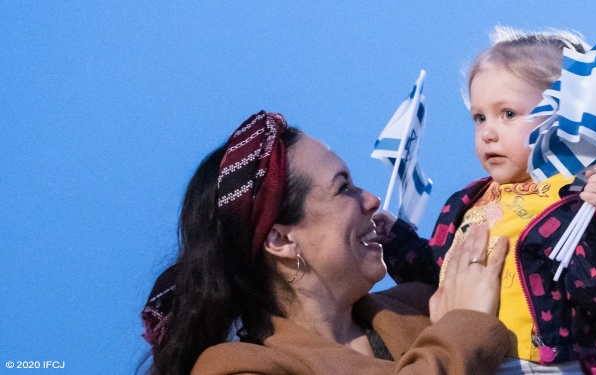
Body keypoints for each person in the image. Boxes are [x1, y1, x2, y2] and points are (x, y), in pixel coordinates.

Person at [375, 26, 596, 374]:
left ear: (563, 116)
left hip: (546, 365)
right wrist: (396, 240)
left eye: (508, 114)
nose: (489, 132)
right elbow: (438, 277)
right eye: (479, 117)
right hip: (476, 356)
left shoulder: (579, 194)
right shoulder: (467, 203)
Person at [140, 110, 513, 375]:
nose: (371, 200)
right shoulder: (237, 367)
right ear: (281, 238)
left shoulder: (427, 303)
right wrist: (463, 333)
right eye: (343, 187)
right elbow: (465, 331)